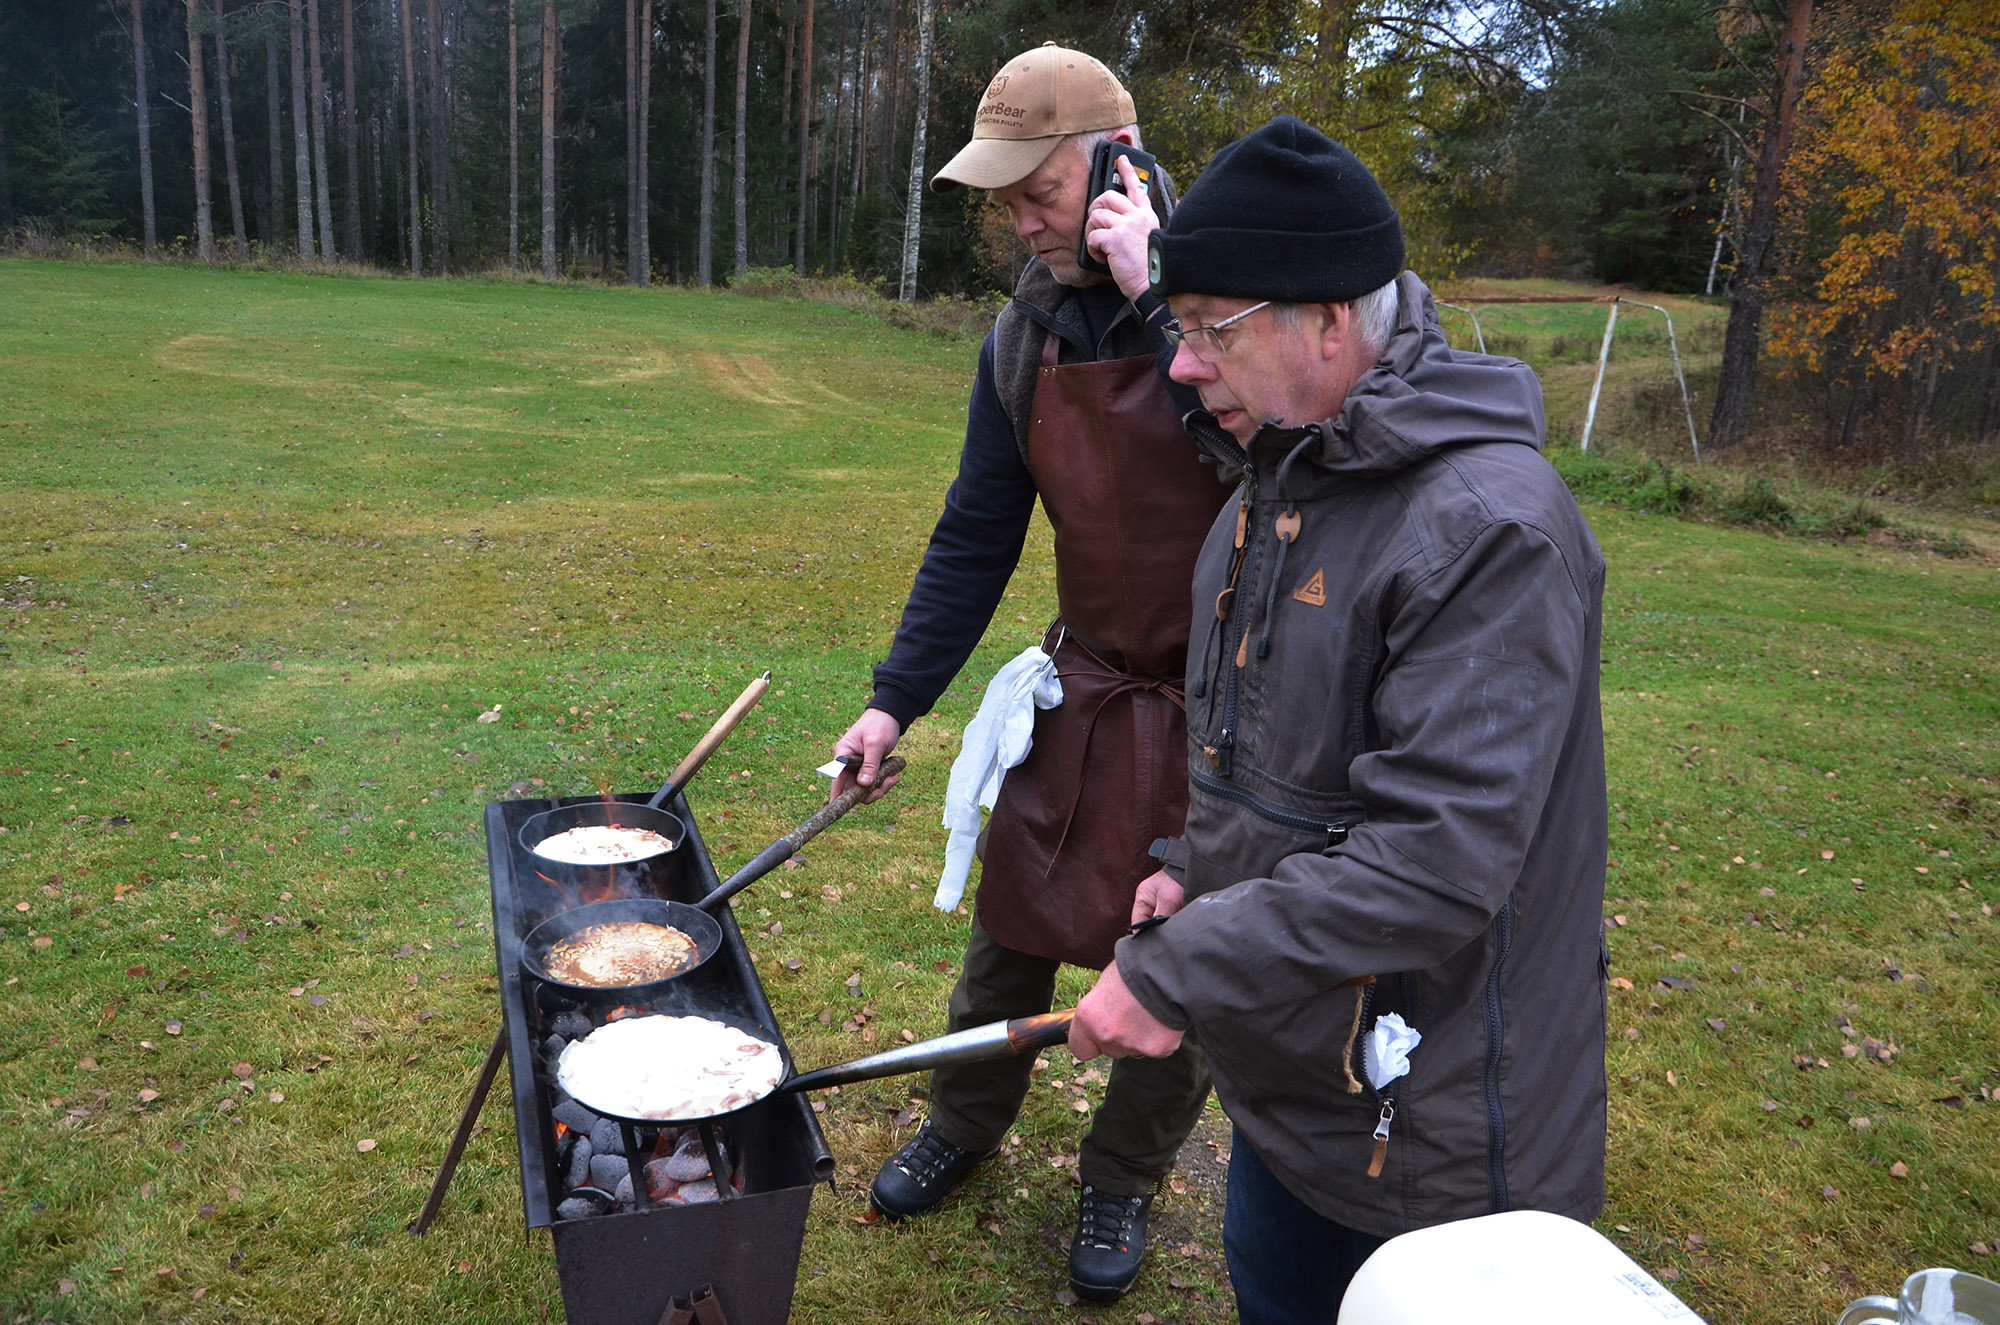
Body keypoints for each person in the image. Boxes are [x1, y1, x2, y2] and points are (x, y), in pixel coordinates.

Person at [1068, 115, 1610, 1323]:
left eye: (1209, 327)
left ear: (1327, 322)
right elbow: (1282, 766)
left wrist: (1178, 968)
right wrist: (1191, 873)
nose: (1181, 364)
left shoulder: (1486, 533)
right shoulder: (1281, 470)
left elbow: (1434, 862)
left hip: (1433, 1126)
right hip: (1299, 1069)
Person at [828, 43, 1227, 1304]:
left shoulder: (1229, 309)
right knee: (1010, 926)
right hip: (1088, 683)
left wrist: (1160, 292)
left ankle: (1121, 1174)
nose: (1017, 219)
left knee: (1180, 958)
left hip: (1226, 707)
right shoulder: (1019, 339)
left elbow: (1294, 473)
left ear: (1118, 163)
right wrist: (894, 699)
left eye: (1034, 191)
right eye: (1001, 196)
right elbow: (974, 532)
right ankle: (964, 1116)